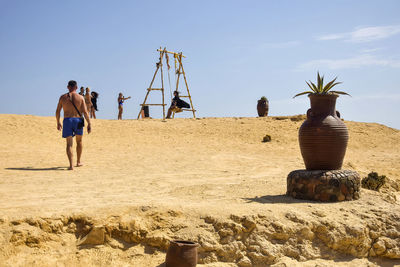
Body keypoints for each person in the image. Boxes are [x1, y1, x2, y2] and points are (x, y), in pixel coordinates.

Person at [56, 80, 91, 170]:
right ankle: (78, 162)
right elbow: (85, 112)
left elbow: (58, 111)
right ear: (76, 87)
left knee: (69, 144)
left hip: (67, 120)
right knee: (79, 141)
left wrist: (58, 122)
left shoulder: (62, 97)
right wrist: (89, 123)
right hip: (78, 120)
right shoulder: (80, 97)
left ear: (68, 87)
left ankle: (71, 165)